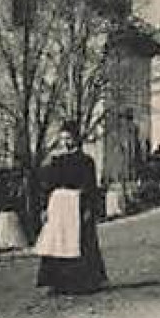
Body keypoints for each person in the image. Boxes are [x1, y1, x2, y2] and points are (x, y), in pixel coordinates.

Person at [35, 125, 108, 295]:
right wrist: (45, 207)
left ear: (76, 139)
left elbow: (90, 186)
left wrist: (89, 207)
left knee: (80, 240)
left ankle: (84, 282)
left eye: (69, 138)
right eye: (63, 139)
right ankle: (56, 282)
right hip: (58, 205)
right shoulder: (56, 161)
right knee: (56, 242)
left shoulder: (86, 161)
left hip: (76, 204)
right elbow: (48, 186)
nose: (66, 142)